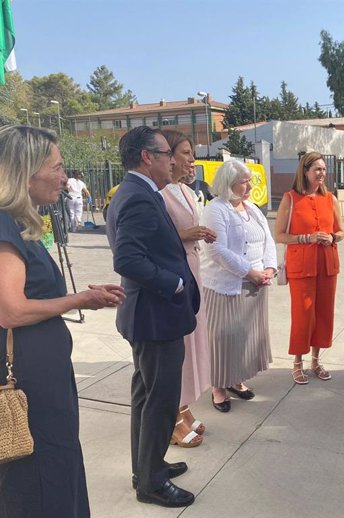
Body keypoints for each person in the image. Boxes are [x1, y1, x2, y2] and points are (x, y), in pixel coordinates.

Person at [0, 126, 124, 518]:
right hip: (29, 381)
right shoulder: (5, 227)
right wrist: (81, 298)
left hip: (42, 374)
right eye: (57, 167)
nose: (65, 177)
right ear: (26, 171)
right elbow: (11, 310)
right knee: (41, 472)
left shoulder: (19, 223)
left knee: (56, 462)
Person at [106, 126, 200, 508]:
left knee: (147, 397)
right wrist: (175, 283)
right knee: (159, 401)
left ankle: (146, 467)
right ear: (147, 157)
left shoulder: (140, 193)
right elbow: (127, 259)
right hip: (155, 318)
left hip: (150, 317)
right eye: (166, 154)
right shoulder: (138, 198)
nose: (173, 160)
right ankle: (152, 484)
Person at [200, 160, 276, 410]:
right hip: (226, 287)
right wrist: (249, 272)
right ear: (228, 183)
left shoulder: (252, 208)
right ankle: (218, 386)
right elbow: (216, 250)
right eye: (244, 181)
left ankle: (235, 378)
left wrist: (269, 268)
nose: (249, 186)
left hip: (255, 284)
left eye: (249, 181)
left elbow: (268, 240)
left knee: (244, 337)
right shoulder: (216, 209)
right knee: (222, 337)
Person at [160, 130, 216, 447]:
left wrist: (196, 233)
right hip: (175, 272)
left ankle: (184, 406)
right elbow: (162, 235)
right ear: (168, 156)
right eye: (185, 152)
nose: (191, 158)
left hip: (193, 269)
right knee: (180, 347)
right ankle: (173, 418)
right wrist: (189, 233)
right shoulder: (161, 193)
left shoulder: (184, 189)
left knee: (193, 342)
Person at [274, 152, 344, 384]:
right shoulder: (290, 198)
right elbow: (280, 235)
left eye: (324, 169)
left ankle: (316, 361)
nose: (321, 173)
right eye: (317, 169)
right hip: (301, 267)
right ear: (304, 171)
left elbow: (341, 231)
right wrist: (308, 238)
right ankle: (297, 362)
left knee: (324, 314)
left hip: (327, 264)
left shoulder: (330, 199)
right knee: (303, 316)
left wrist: (332, 237)